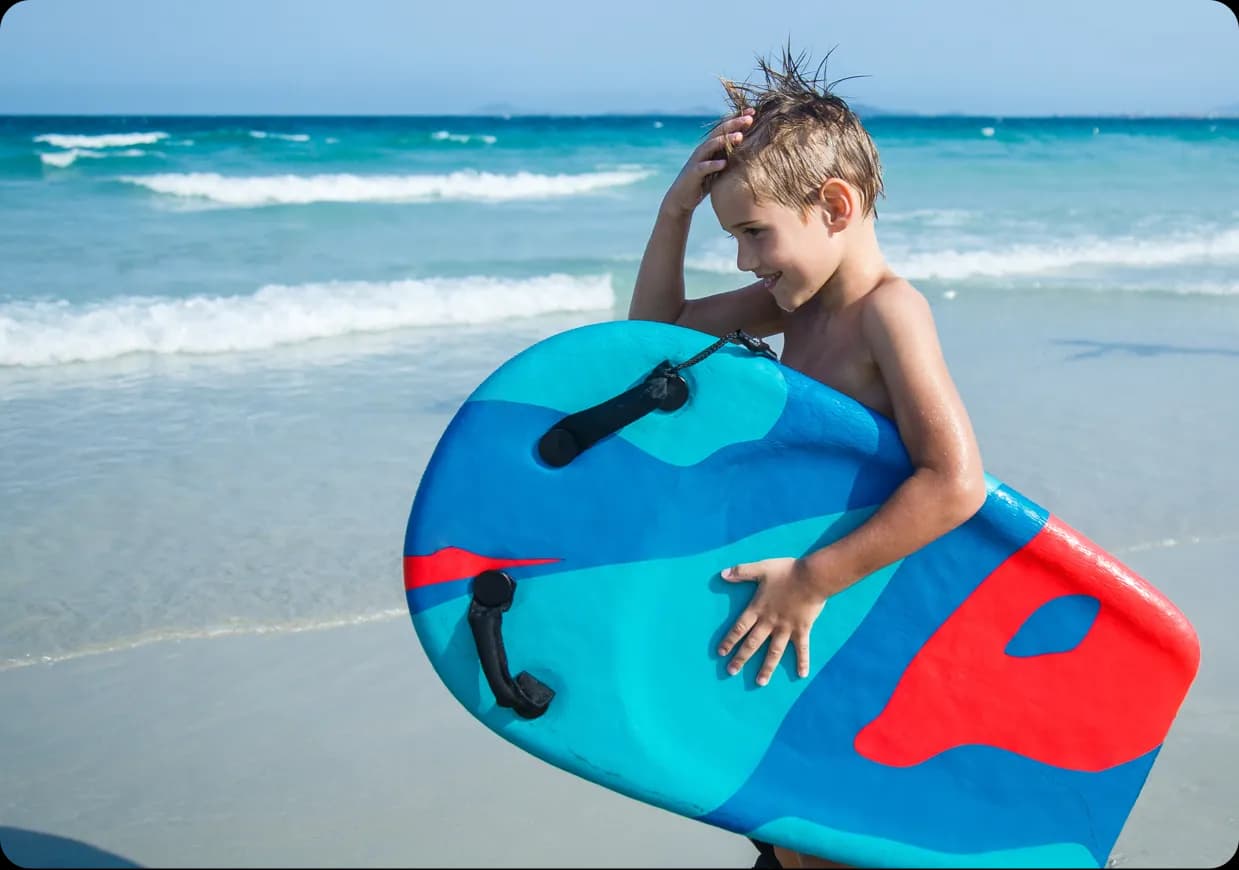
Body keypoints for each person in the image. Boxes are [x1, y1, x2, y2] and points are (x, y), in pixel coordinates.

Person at [626, 47, 988, 869]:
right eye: (734, 238)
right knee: (783, 820)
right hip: (811, 601)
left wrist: (814, 579)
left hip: (855, 596)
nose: (747, 261)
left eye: (754, 233)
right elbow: (652, 337)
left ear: (833, 205)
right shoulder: (795, 302)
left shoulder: (886, 312)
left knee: (818, 822)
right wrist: (672, 214)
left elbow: (954, 481)